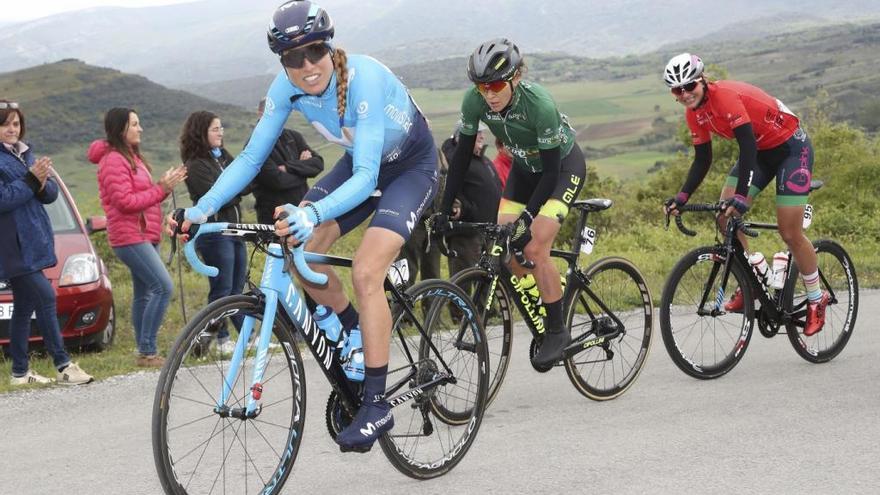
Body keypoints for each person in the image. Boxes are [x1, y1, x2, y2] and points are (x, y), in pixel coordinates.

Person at [178, 1, 437, 450]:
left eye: (313, 51)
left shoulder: (363, 80)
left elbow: (368, 178)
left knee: (366, 271)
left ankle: (376, 405)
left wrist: (311, 211)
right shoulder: (285, 89)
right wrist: (202, 209)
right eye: (291, 58)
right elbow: (251, 158)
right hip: (361, 164)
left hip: (409, 169)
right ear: (282, 63)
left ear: (328, 47)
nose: (305, 66)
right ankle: (353, 327)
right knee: (301, 248)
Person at [435, 38, 586, 369]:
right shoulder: (474, 102)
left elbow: (548, 175)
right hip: (523, 171)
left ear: (516, 77)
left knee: (534, 249)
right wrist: (444, 210)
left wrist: (527, 219)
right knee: (504, 247)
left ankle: (558, 331)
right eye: (481, 86)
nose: (489, 94)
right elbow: (459, 158)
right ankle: (552, 295)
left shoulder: (539, 105)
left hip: (560, 171)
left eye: (496, 85)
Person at [660, 53, 827, 336]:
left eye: (690, 86)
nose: (685, 94)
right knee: (724, 216)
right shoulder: (694, 114)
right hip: (761, 154)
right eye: (678, 90)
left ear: (703, 81)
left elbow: (747, 146)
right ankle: (753, 276)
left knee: (790, 232)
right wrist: (682, 196)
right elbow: (703, 159)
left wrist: (741, 196)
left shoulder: (724, 97)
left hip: (790, 150)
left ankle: (815, 298)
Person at [0, 100, 93, 386]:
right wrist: (31, 179)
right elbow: (3, 200)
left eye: (15, 123)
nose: (11, 129)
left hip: (33, 241)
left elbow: (50, 194)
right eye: (5, 124)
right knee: (46, 297)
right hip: (13, 247)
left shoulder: (25, 155)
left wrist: (40, 180)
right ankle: (63, 364)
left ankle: (19, 372)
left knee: (25, 306)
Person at [89, 107, 187, 367]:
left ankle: (145, 351)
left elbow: (144, 196)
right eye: (134, 124)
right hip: (129, 236)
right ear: (121, 128)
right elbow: (125, 202)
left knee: (144, 293)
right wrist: (161, 188)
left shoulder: (129, 157)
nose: (139, 128)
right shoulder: (113, 160)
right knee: (163, 286)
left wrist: (164, 188)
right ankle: (147, 349)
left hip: (145, 233)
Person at [180, 111, 250, 355]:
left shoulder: (222, 157)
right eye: (215, 129)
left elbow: (246, 182)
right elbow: (216, 198)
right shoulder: (195, 165)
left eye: (221, 128)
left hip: (235, 231)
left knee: (236, 290)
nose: (221, 133)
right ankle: (207, 343)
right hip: (214, 234)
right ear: (201, 132)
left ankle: (244, 338)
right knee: (222, 290)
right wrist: (231, 191)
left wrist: (232, 191)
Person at [440, 122, 502, 276]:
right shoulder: (455, 158)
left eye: (482, 132)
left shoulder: (483, 160)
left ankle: (483, 302)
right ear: (463, 137)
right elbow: (449, 188)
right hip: (467, 233)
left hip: (488, 231)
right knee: (463, 282)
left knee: (486, 280)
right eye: (477, 133)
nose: (482, 136)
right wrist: (468, 209)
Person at [250, 97, 324, 225]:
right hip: (274, 217)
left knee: (307, 246)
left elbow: (318, 164)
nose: (279, 117)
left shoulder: (294, 137)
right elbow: (277, 181)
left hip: (301, 213)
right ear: (261, 113)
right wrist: (303, 173)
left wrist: (289, 167)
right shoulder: (255, 145)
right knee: (277, 246)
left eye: (282, 112)